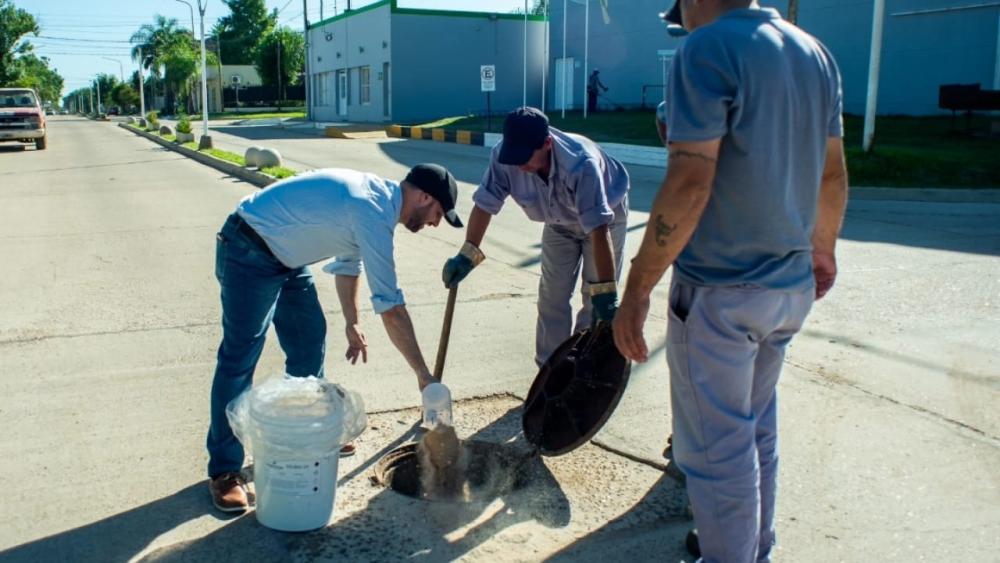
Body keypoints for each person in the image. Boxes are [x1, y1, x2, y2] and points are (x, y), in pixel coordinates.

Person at [613, 1, 848, 562]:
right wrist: (823, 250)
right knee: (754, 430)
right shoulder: (815, 53)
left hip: (721, 293)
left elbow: (691, 180)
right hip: (788, 289)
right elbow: (832, 172)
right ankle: (756, 550)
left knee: (716, 453)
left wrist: (638, 287)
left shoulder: (706, 48)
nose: (683, 23)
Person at [207, 164, 464, 513]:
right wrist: (423, 374)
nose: (435, 222)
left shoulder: (376, 205)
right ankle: (224, 471)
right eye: (437, 212)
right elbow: (391, 307)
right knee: (239, 358)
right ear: (423, 196)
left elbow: (347, 267)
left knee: (309, 342)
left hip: (286, 258)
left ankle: (307, 436)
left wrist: (352, 322)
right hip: (248, 248)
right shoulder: (371, 210)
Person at [442, 106, 631, 368]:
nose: (519, 165)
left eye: (525, 157)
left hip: (604, 218)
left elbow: (598, 230)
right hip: (558, 223)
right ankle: (550, 371)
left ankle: (584, 370)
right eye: (514, 156)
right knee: (552, 296)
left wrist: (607, 292)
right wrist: (467, 253)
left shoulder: (580, 165)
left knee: (594, 300)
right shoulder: (504, 158)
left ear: (547, 144)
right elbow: (485, 204)